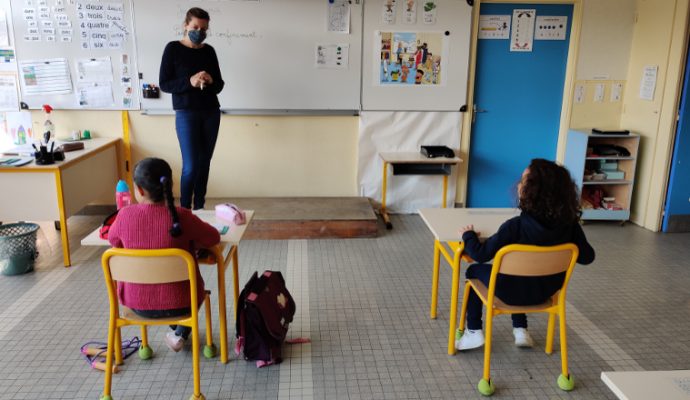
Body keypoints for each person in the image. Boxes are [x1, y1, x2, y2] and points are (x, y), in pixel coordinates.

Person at [455, 159, 595, 351]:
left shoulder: (515, 227)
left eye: (524, 180)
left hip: (509, 294)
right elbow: (588, 257)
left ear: (531, 192)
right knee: (520, 276)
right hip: (545, 292)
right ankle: (520, 330)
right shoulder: (570, 225)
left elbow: (480, 254)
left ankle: (473, 331)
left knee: (473, 271)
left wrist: (468, 236)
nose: (519, 184)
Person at [108, 158, 220, 352]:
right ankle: (180, 331)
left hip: (136, 304)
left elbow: (113, 241)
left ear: (139, 190)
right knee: (193, 290)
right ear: (170, 185)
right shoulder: (182, 216)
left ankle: (179, 333)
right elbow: (213, 237)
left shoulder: (124, 216)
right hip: (183, 303)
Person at [159, 7, 224, 210]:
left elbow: (219, 85)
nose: (200, 31)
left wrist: (210, 80)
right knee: (191, 166)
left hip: (211, 112)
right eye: (195, 26)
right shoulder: (173, 49)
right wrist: (190, 81)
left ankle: (200, 208)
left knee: (204, 164)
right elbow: (165, 84)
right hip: (186, 114)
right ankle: (185, 210)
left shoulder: (209, 51)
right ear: (185, 25)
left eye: (204, 28)